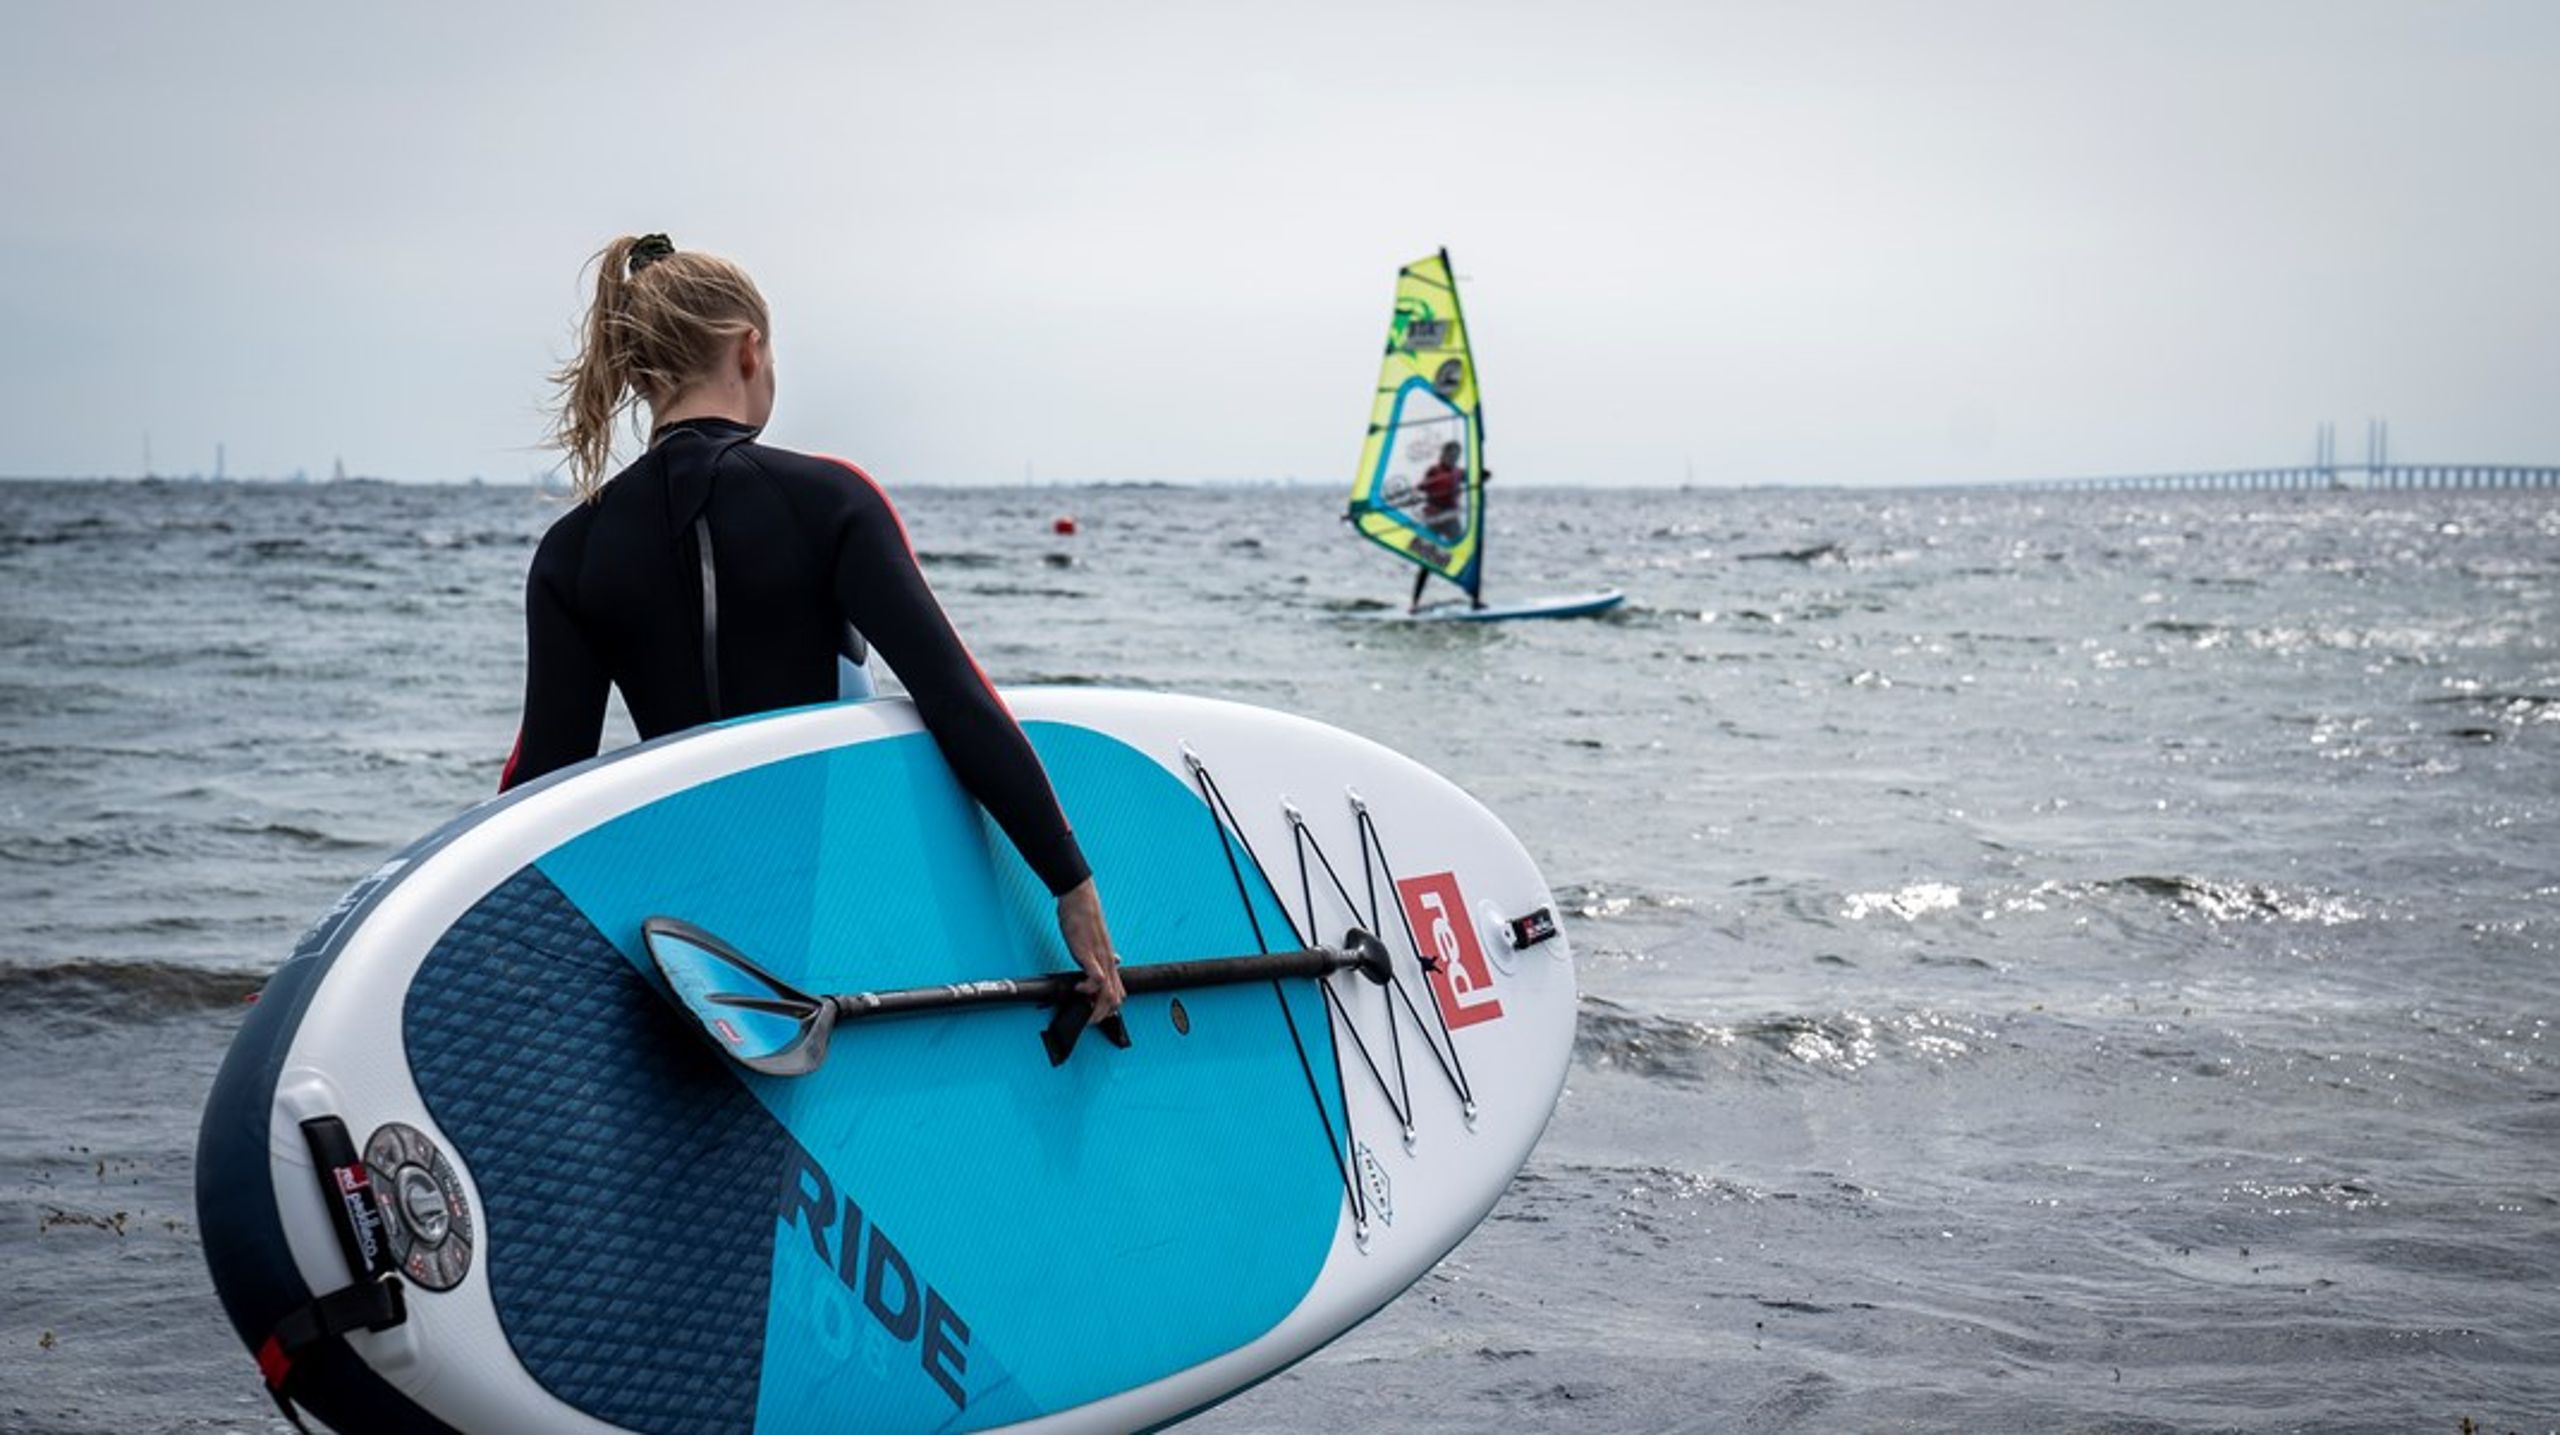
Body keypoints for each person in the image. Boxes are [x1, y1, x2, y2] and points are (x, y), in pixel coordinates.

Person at [505, 233, 1125, 1022]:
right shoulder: (829, 500)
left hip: (679, 926)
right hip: (833, 907)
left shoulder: (574, 547)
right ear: (750, 350)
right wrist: (1069, 880)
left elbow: (543, 780)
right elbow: (955, 699)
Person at [1409, 441, 1469, 612]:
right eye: (1451, 455)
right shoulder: (1434, 470)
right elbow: (1421, 486)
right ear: (1443, 454)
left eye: (1457, 455)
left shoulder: (1459, 473)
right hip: (1433, 518)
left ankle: (1473, 595)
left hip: (1450, 519)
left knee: (1465, 556)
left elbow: (1479, 477)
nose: (1454, 458)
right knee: (1427, 561)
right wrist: (1415, 493)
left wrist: (1483, 474)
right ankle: (1415, 602)